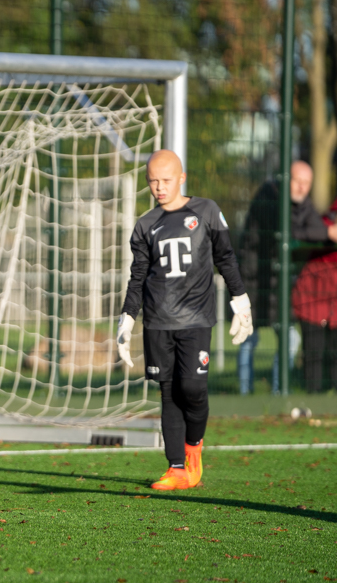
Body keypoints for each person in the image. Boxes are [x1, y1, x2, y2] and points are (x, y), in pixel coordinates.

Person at [117, 149, 252, 491]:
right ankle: (176, 468)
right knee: (168, 393)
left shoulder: (206, 211)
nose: (159, 188)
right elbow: (137, 277)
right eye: (152, 181)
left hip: (196, 318)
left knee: (191, 388)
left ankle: (194, 449)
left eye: (165, 180)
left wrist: (241, 299)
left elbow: (226, 257)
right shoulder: (146, 225)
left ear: (181, 178)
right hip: (158, 322)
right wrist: (127, 320)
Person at [237, 160, 336, 394]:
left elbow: (312, 227)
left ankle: (279, 393)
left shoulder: (303, 204)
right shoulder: (269, 196)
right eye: (297, 181)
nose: (302, 187)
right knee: (248, 338)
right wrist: (328, 232)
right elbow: (289, 230)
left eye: (306, 183)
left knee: (290, 338)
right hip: (252, 280)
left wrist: (323, 232)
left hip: (278, 284)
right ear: (286, 179)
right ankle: (244, 394)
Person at [291, 195, 337, 392]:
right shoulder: (324, 223)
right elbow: (302, 232)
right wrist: (327, 232)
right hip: (313, 298)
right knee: (314, 354)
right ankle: (313, 397)